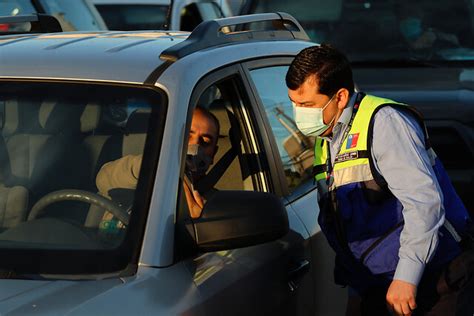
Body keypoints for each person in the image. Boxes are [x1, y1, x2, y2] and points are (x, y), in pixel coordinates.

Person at [286, 44, 472, 315]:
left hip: (432, 277)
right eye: (293, 103)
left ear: (340, 97)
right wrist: (357, 288)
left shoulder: (384, 123)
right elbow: (343, 220)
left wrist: (407, 277)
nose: (298, 114)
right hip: (376, 283)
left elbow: (424, 203)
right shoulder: (327, 137)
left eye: (306, 105)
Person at [95, 106, 220, 229]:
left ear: (213, 153)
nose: (194, 146)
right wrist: (156, 165)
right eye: (187, 135)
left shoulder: (217, 206)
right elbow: (103, 180)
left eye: (205, 142)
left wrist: (205, 229)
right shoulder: (137, 173)